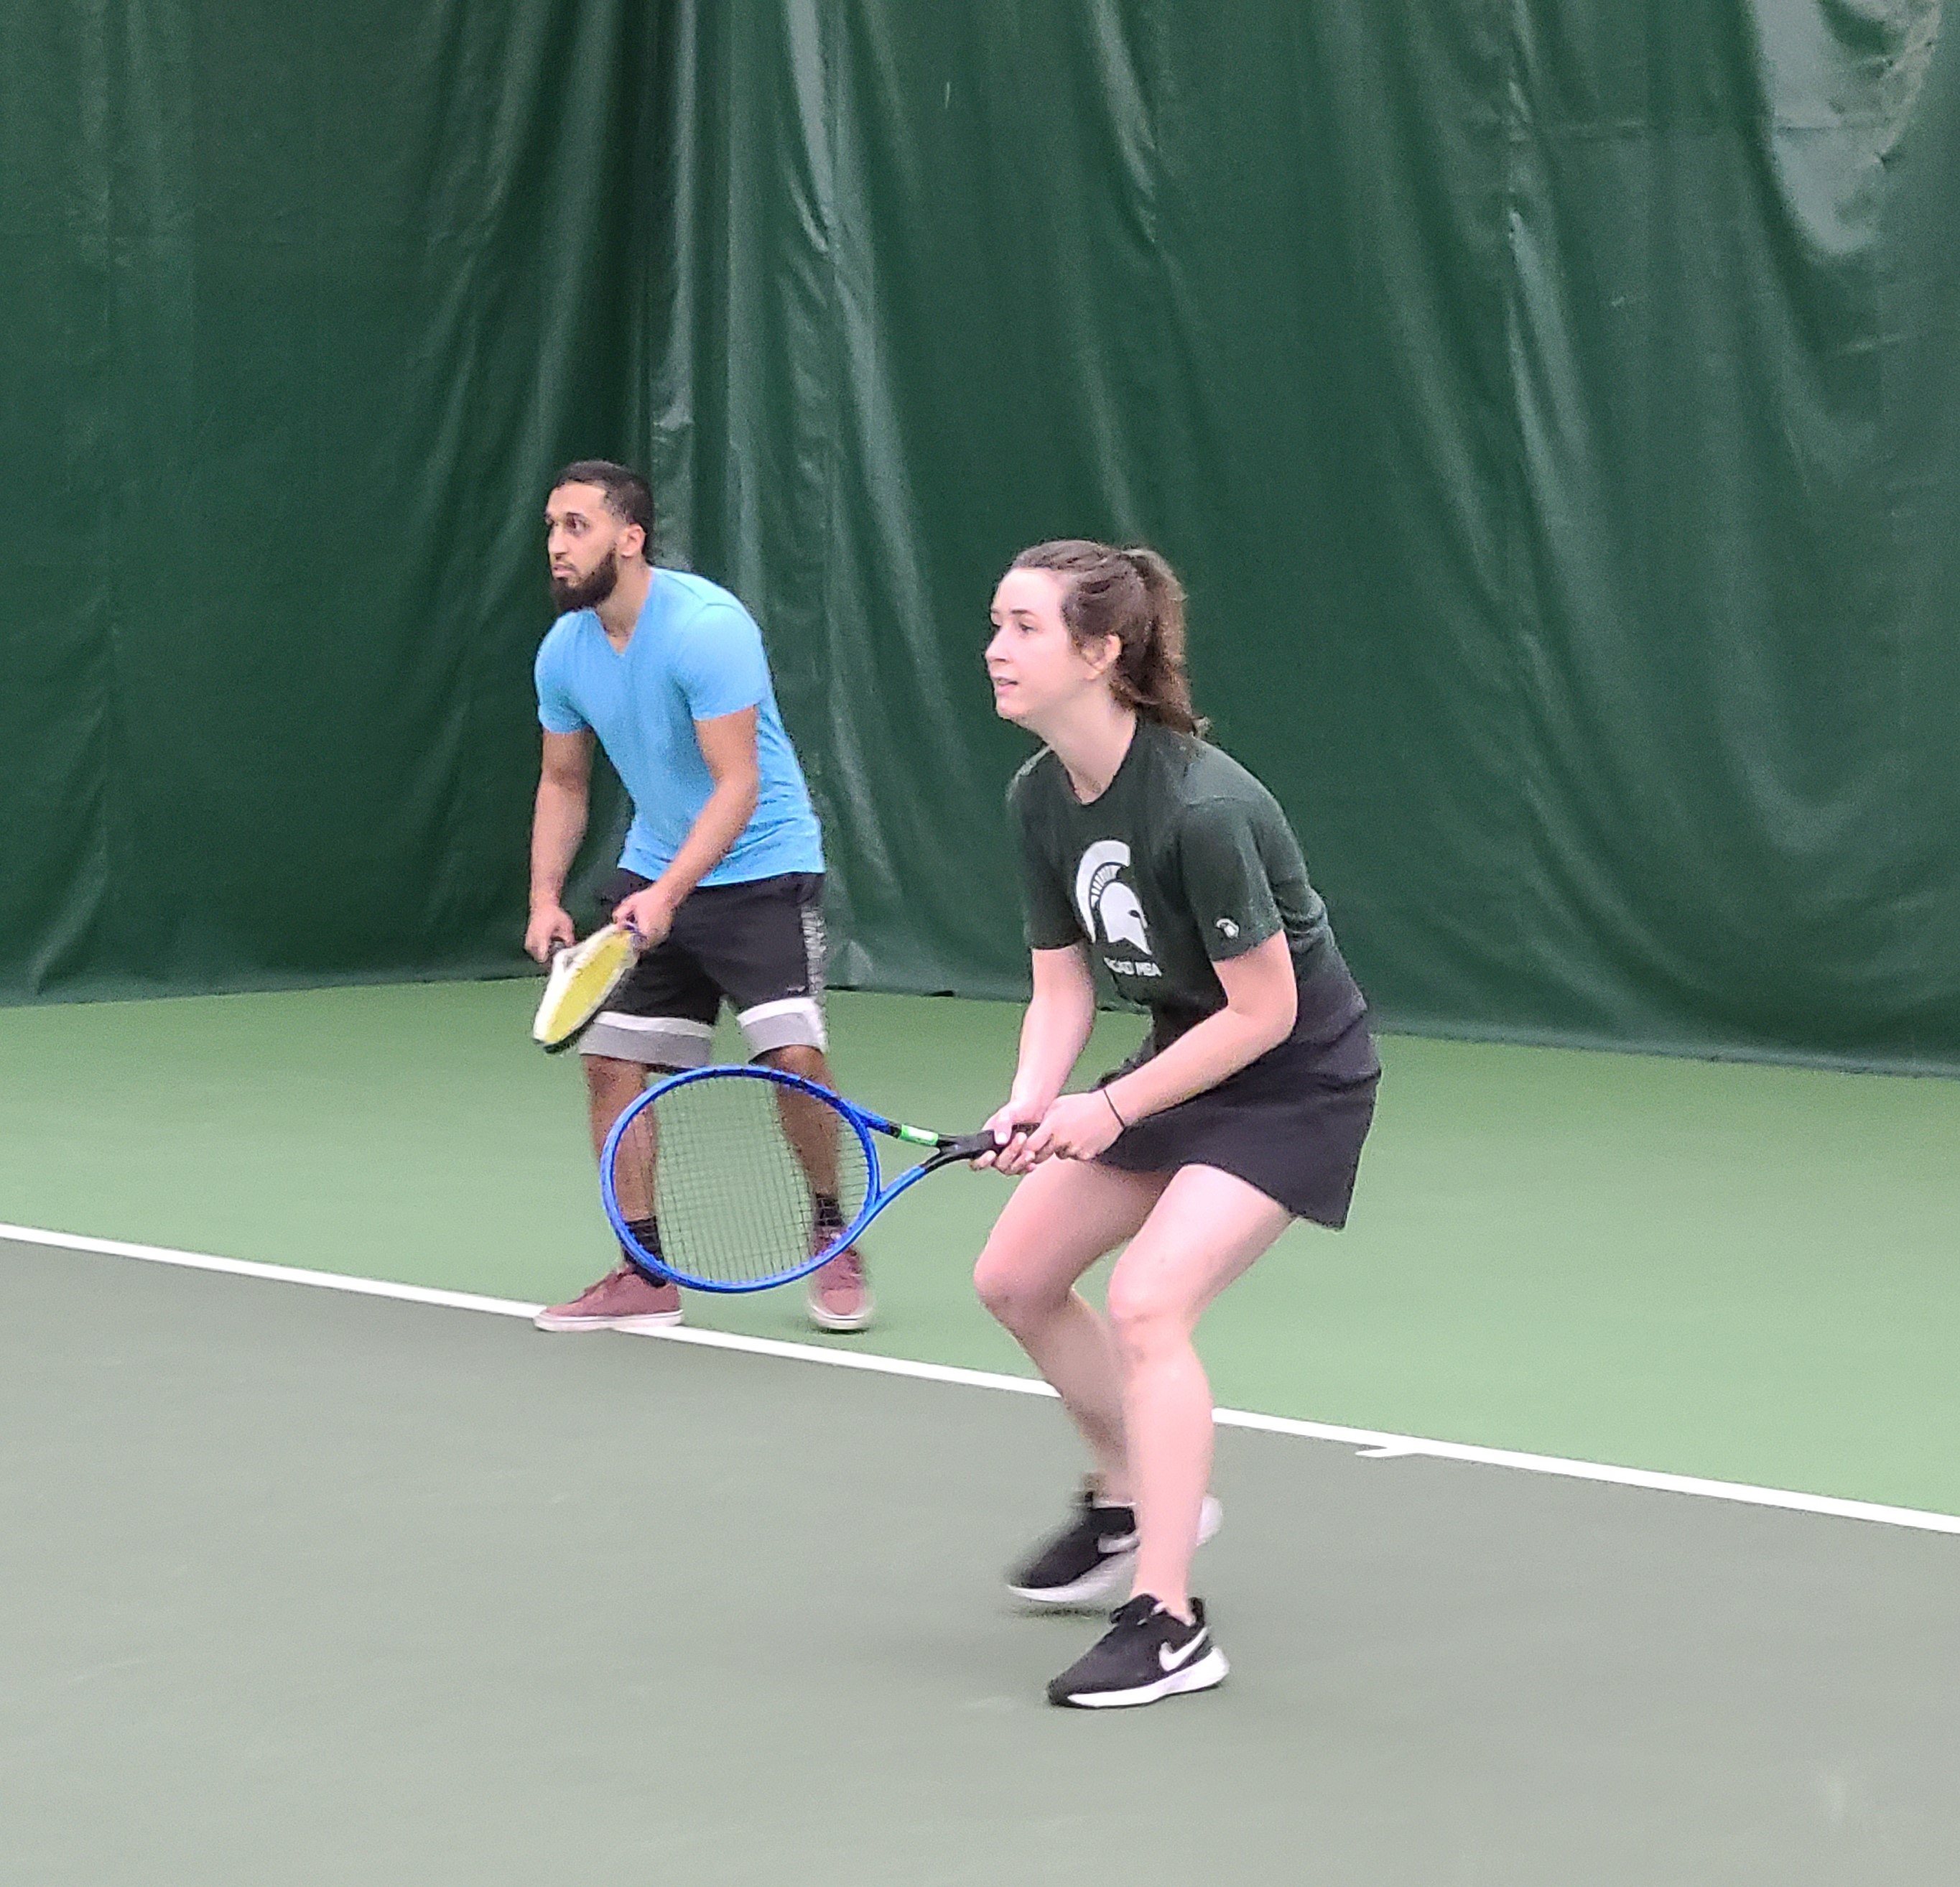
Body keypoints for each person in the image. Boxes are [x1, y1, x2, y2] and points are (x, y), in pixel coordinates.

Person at [974, 539, 1378, 1708]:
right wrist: (1032, 1096)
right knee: (1014, 1276)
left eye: (1023, 627)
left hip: (1294, 1080)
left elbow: (1265, 1011)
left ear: (1101, 651)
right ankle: (1127, 1496)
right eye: (995, 623)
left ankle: (1168, 1619)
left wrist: (1106, 1106)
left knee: (1149, 1301)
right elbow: (1060, 985)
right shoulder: (1039, 795)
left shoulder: (1202, 807)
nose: (994, 648)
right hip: (1182, 1061)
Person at [524, 460, 873, 1334]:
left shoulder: (706, 629)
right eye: (552, 528)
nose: (558, 545)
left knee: (792, 1057)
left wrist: (670, 892)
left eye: (576, 526)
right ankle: (644, 1271)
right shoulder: (563, 651)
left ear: (630, 537)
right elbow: (563, 781)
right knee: (609, 1064)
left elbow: (737, 782)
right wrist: (545, 896)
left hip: (762, 866)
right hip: (654, 864)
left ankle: (832, 1231)